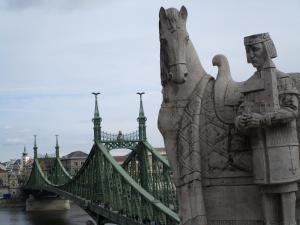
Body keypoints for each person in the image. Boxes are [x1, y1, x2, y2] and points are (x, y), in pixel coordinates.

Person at [235, 33, 300, 225]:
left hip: (283, 151)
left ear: (267, 49)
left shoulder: (283, 79)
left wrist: (263, 120)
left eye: (255, 49)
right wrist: (243, 121)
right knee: (266, 197)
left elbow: (292, 110)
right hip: (260, 153)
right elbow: (239, 115)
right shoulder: (249, 85)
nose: (251, 55)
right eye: (248, 50)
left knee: (288, 207)